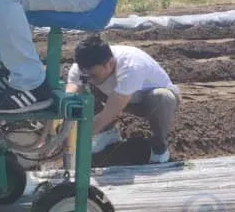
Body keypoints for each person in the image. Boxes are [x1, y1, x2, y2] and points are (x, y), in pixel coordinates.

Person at [65, 34, 180, 164]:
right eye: (86, 74)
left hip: (147, 101)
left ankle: (160, 147)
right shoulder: (82, 68)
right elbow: (71, 97)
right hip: (118, 97)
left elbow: (110, 112)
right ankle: (108, 134)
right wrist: (62, 125)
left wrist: (81, 136)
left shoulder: (131, 66)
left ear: (110, 63)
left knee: (161, 97)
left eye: (94, 75)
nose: (90, 78)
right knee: (85, 89)